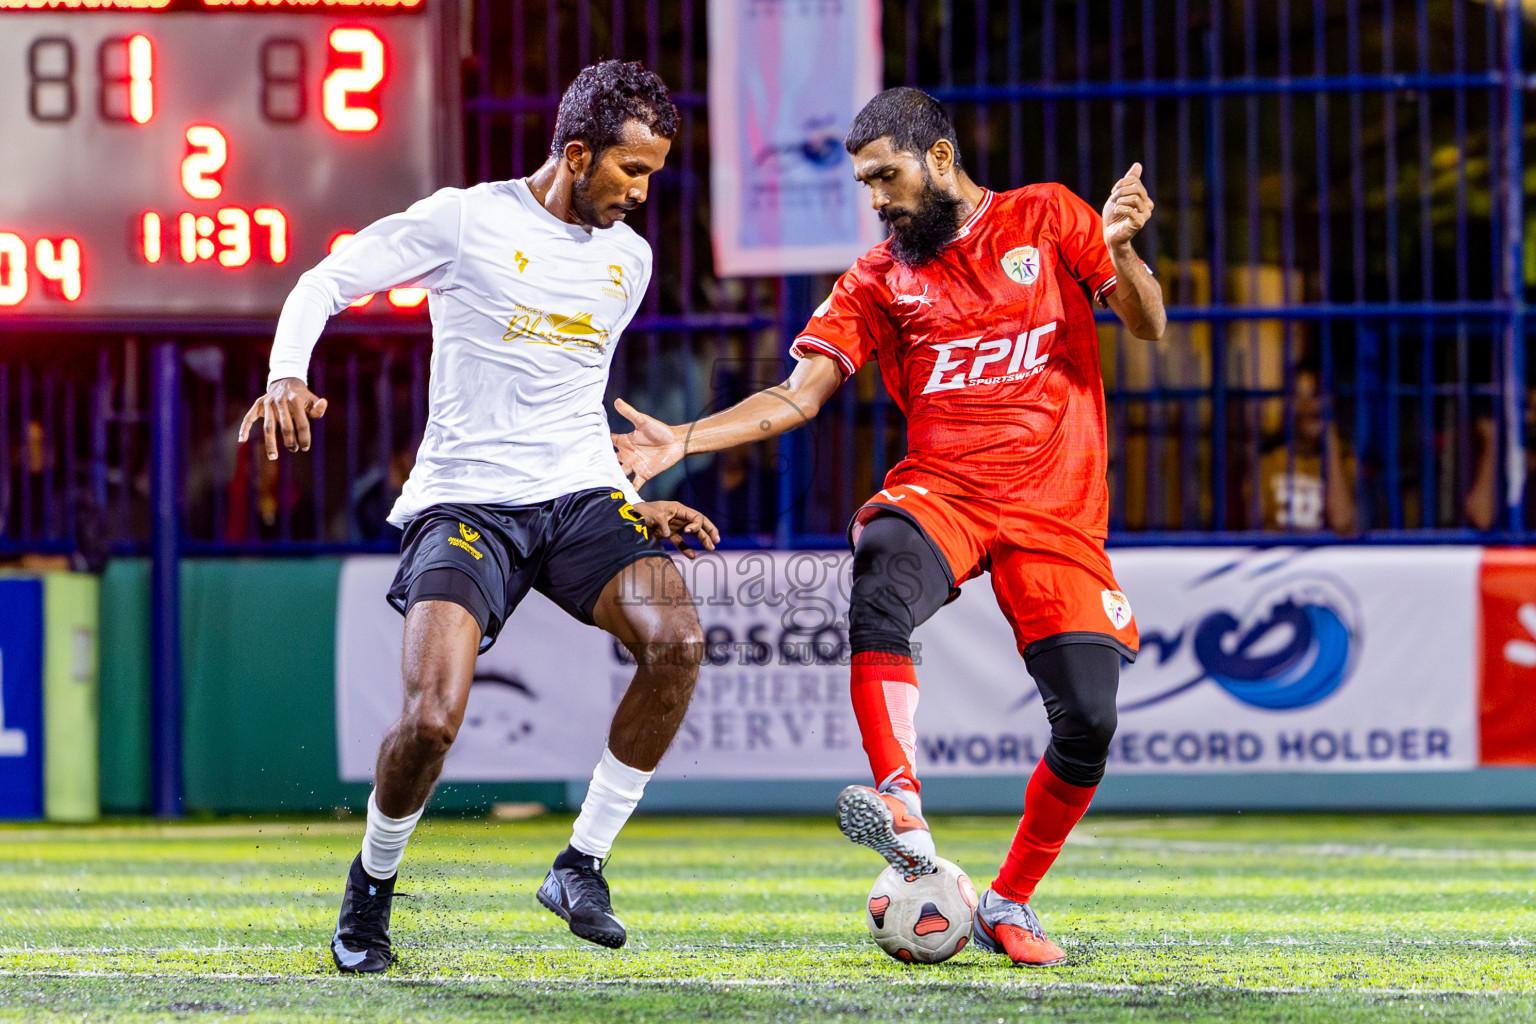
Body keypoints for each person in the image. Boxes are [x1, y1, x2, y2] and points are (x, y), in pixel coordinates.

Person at [613, 87, 1165, 967]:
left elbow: (1146, 322)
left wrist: (1125, 252)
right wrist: (680, 438)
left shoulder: (1048, 215)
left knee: (1090, 721)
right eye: (865, 183)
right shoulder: (877, 277)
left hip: (1056, 509)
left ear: (939, 157)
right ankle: (900, 801)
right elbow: (797, 395)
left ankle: (1009, 900)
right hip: (943, 492)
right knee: (879, 571)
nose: (876, 199)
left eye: (887, 177)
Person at [238, 60, 718, 974]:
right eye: (631, 170)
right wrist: (287, 375)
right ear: (576, 152)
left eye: (654, 172)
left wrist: (628, 503)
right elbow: (324, 282)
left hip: (579, 503)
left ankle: (580, 865)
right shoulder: (466, 220)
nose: (643, 192)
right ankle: (370, 889)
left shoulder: (630, 259)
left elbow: (578, 399)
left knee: (680, 643)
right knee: (431, 720)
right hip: (466, 504)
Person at [1253, 367, 1358, 534]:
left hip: (1326, 557)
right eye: (1300, 395)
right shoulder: (1267, 462)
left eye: (1316, 395)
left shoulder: (1345, 460)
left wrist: (1331, 447)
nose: (1308, 404)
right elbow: (1255, 530)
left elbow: (1343, 524)